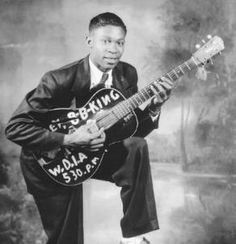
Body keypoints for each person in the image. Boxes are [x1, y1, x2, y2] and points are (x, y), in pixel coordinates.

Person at [5, 12, 173, 244]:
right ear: (89, 41)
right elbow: (15, 128)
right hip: (51, 161)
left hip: (96, 153)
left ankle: (135, 236)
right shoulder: (57, 80)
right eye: (106, 41)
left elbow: (129, 131)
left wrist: (154, 107)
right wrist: (69, 139)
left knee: (136, 147)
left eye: (120, 42)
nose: (114, 49)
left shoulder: (126, 75)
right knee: (67, 239)